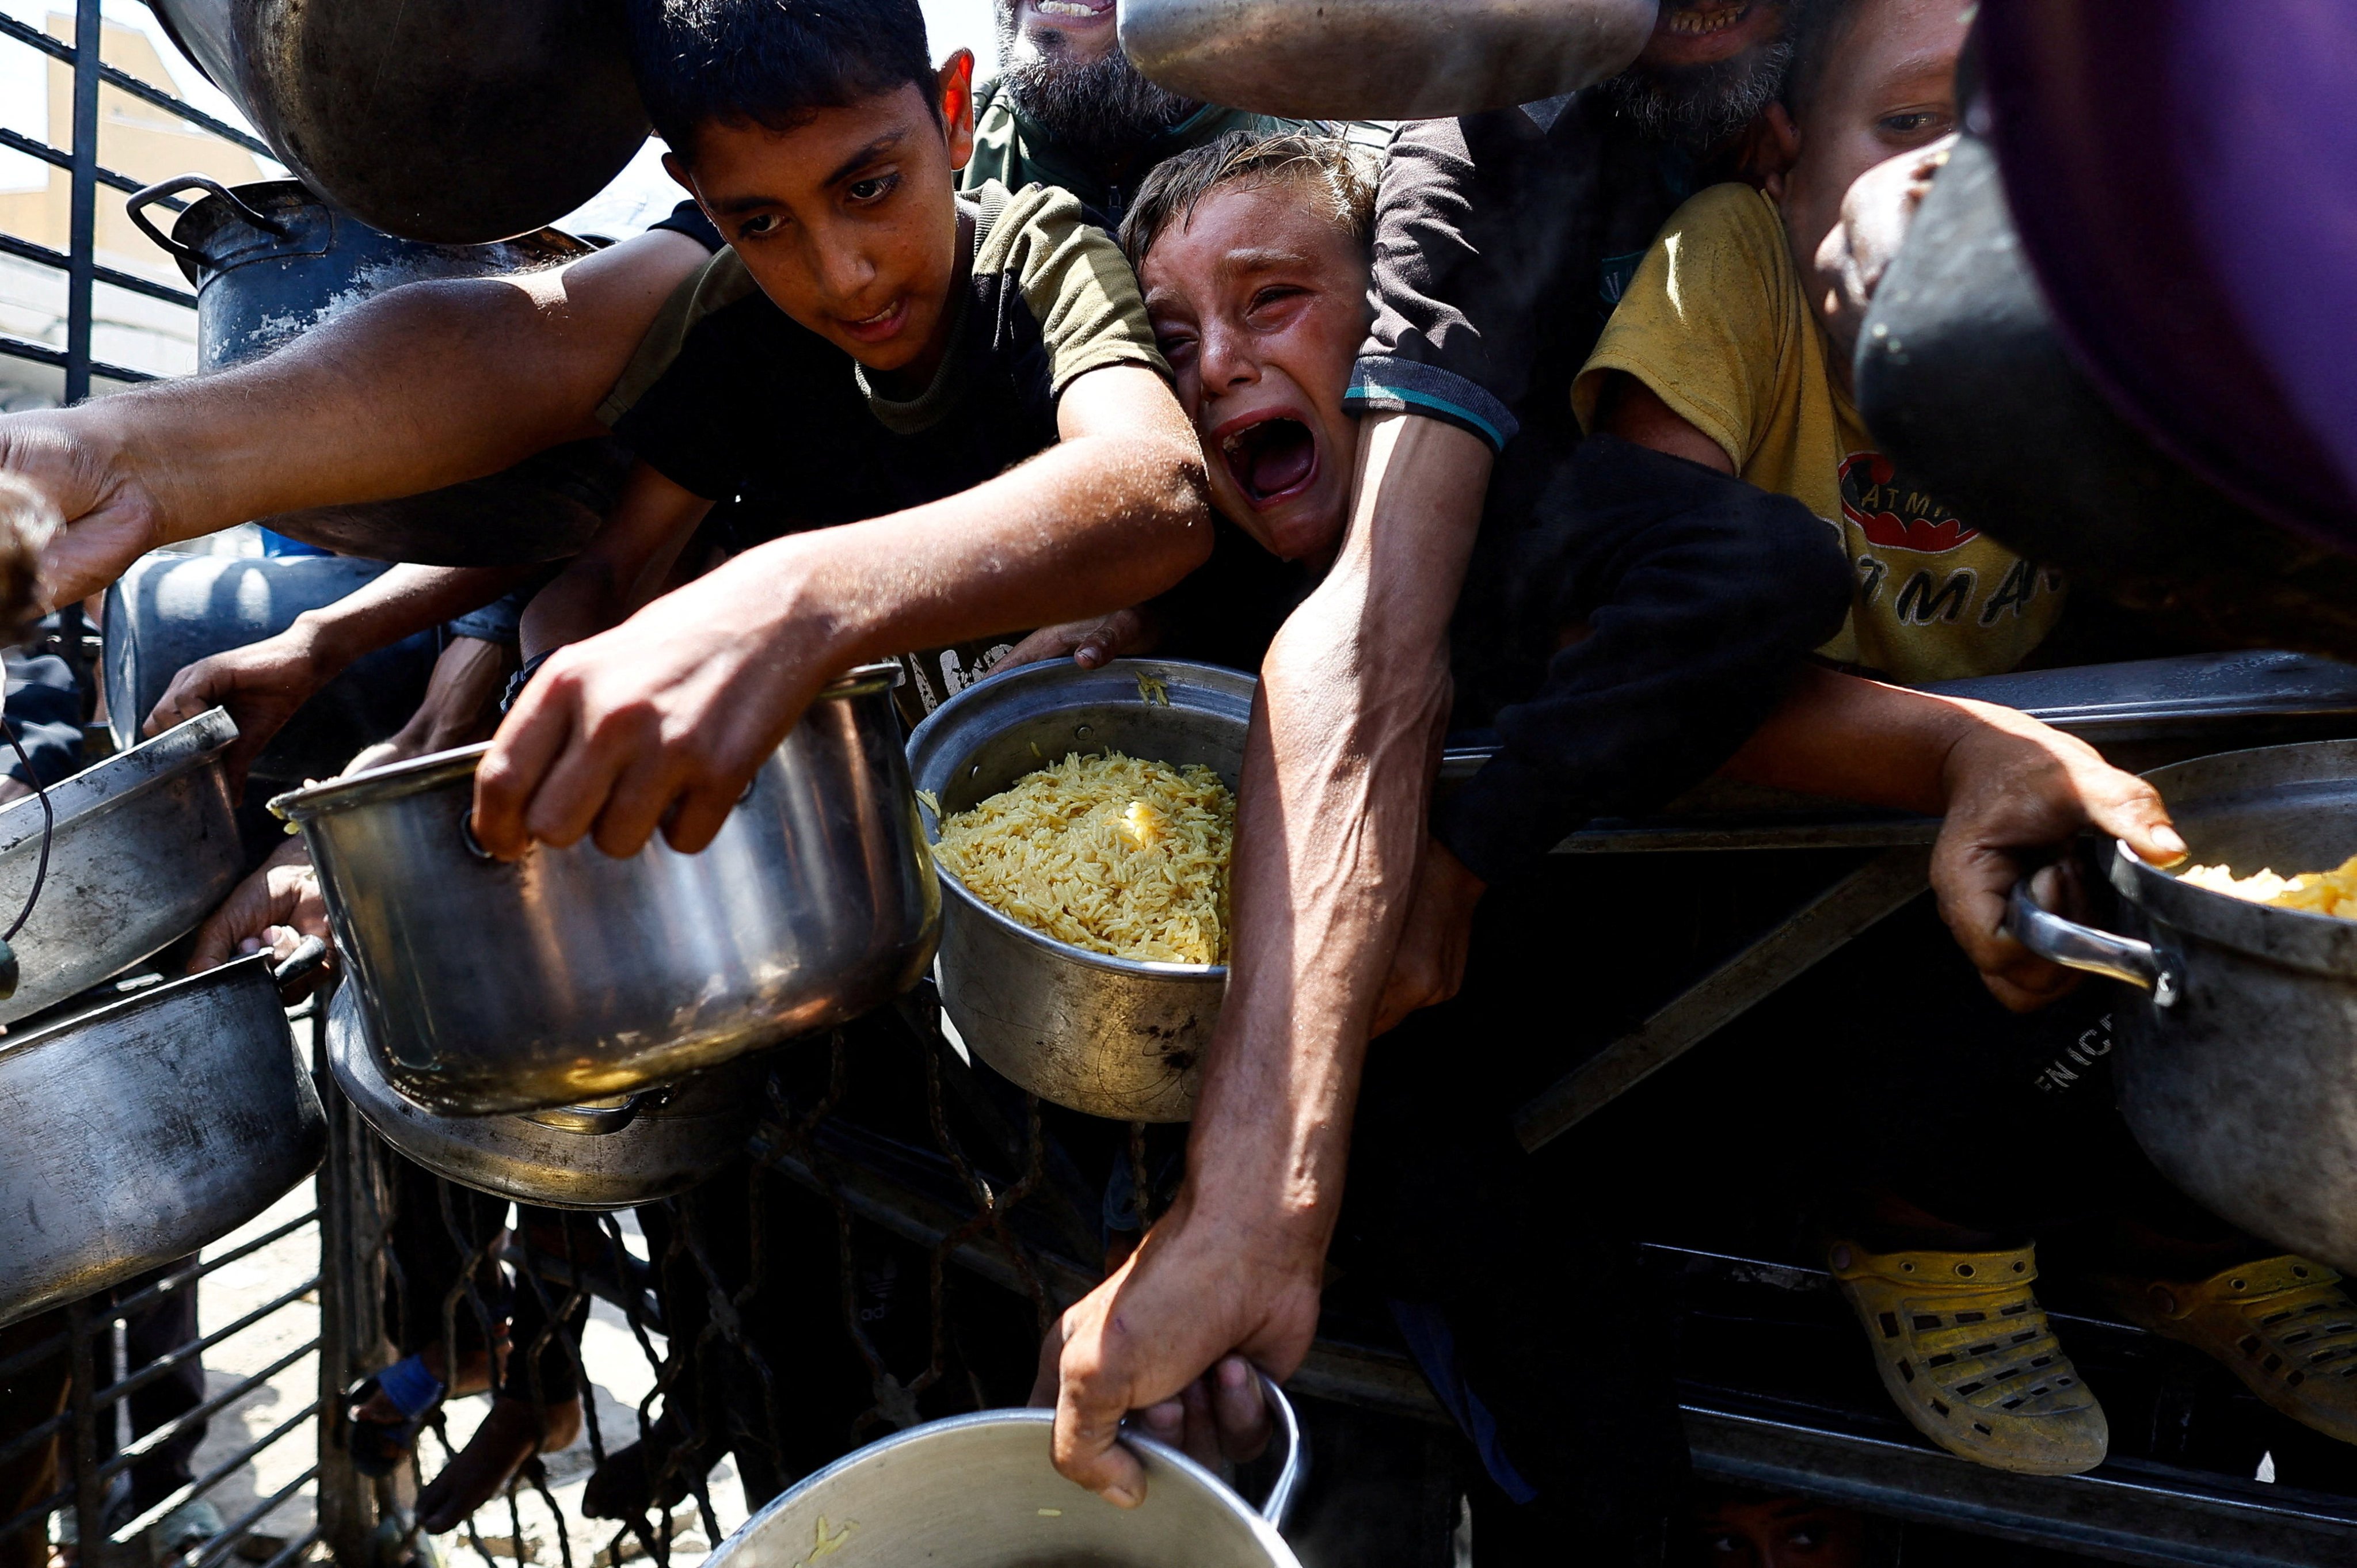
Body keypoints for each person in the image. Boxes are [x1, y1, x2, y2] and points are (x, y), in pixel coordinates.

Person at [1581, 0, 2357, 1476]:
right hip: (1756, 814)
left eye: (1994, 139)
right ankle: (1920, 1235)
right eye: (1901, 127)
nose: (1941, 184)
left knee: (2171, 886)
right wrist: (1949, 749)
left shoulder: (2074, 288)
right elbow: (1629, 629)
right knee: (1901, 950)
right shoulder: (1728, 264)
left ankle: (2173, 1242)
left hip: (2009, 786)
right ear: (1776, 156)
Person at [462, 0, 1207, 860]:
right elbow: (604, 573)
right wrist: (551, 684)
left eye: (869, 188)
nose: (844, 277)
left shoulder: (1038, 256)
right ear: (698, 197)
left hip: (1124, 833)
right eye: (762, 225)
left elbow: (1160, 488)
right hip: (910, 848)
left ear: (953, 114)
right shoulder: (745, 329)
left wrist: (802, 598)